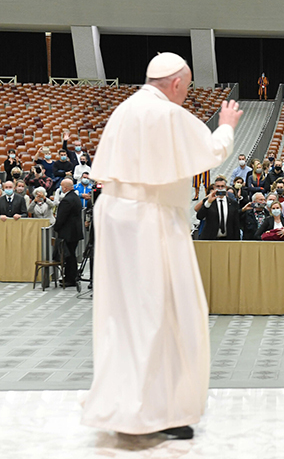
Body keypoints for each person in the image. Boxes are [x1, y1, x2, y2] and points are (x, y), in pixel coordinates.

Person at [82, 53, 243, 440]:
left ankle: (123, 406)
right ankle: (159, 411)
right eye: (186, 89)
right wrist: (225, 126)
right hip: (149, 219)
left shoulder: (125, 109)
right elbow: (211, 151)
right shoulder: (166, 113)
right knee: (167, 310)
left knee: (122, 315)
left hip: (115, 213)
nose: (185, 97)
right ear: (175, 84)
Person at [53, 178, 83, 287]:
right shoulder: (75, 197)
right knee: (71, 255)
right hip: (74, 232)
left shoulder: (67, 200)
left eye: (61, 185)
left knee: (69, 256)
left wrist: (56, 228)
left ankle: (70, 279)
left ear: (65, 187)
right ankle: (70, 276)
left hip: (68, 233)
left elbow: (61, 217)